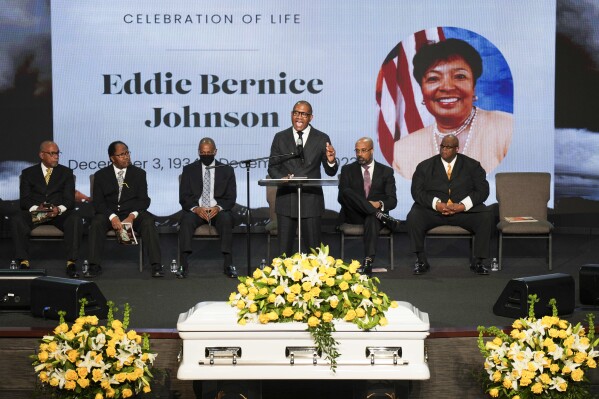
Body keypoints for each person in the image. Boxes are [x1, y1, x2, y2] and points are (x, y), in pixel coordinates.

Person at [393, 38, 512, 179]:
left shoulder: (506, 128)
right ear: (422, 90)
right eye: (433, 78)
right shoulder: (402, 151)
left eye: (460, 76)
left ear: (473, 87)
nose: (447, 87)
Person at [406, 134, 493, 275]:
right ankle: (421, 261)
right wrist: (437, 204)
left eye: (448, 147)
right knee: (414, 216)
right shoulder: (425, 166)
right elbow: (417, 192)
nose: (444, 150)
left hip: (462, 211)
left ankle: (478, 262)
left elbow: (483, 191)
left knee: (485, 216)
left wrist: (463, 205)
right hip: (434, 211)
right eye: (442, 146)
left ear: (457, 149)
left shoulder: (472, 166)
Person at [267, 100, 338, 256]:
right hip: (287, 199)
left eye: (303, 114)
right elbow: (272, 167)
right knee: (283, 252)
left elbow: (330, 172)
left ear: (311, 117)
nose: (299, 117)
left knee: (314, 251)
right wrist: (283, 178)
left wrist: (331, 160)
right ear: (292, 115)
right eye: (296, 113)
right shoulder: (280, 137)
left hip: (311, 199)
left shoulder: (321, 138)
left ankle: (314, 280)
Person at [87, 141, 164, 278]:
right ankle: (94, 265)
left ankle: (156, 265)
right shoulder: (101, 175)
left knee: (148, 221)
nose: (126, 156)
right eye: (122, 154)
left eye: (127, 153)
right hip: (109, 213)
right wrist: (112, 217)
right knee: (97, 222)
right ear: (112, 158)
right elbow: (98, 202)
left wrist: (132, 216)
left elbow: (144, 200)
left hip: (132, 212)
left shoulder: (139, 174)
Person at [10, 140, 83, 277]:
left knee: (75, 219)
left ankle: (71, 263)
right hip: (37, 213)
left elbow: (69, 200)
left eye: (57, 153)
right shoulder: (28, 173)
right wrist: (37, 209)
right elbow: (24, 201)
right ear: (42, 155)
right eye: (52, 153)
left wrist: (58, 209)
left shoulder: (66, 173)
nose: (56, 156)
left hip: (58, 214)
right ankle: (23, 261)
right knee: (17, 219)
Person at [337, 137, 399, 276]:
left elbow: (392, 200)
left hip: (374, 219)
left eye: (363, 151)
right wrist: (369, 208)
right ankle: (379, 215)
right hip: (354, 215)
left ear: (372, 151)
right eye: (357, 151)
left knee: (372, 217)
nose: (359, 154)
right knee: (346, 191)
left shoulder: (386, 172)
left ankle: (368, 261)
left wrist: (378, 204)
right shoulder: (347, 170)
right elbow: (341, 198)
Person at [178, 137, 237, 278]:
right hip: (197, 210)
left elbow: (231, 198)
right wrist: (196, 209)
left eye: (209, 152)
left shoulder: (227, 170)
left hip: (217, 210)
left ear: (215, 151)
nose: (206, 155)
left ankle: (228, 264)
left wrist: (217, 207)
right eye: (202, 153)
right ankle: (183, 264)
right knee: (186, 221)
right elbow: (184, 197)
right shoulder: (189, 170)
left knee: (226, 219)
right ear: (198, 152)